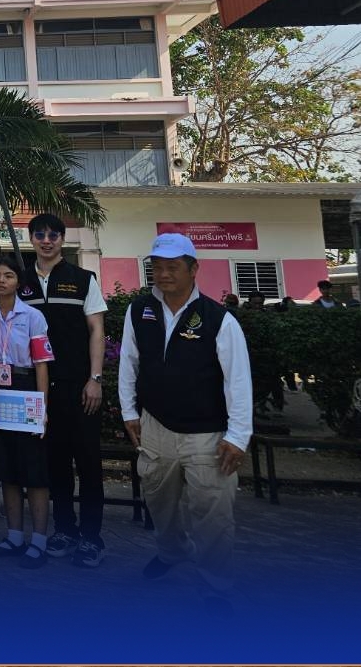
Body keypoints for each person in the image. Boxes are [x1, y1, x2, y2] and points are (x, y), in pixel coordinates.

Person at [119, 232, 252, 608]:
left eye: (172, 267)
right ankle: (173, 551)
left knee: (212, 511)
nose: (163, 274)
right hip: (155, 426)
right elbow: (129, 362)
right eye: (157, 267)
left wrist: (238, 436)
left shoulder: (218, 319)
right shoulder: (139, 310)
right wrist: (129, 411)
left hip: (207, 433)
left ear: (194, 269)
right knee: (158, 500)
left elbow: (237, 380)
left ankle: (216, 585)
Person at [21, 212, 109, 568]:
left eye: (53, 235)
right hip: (39, 390)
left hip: (80, 387)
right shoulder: (20, 281)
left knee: (88, 463)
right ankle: (65, 531)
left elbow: (97, 330)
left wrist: (95, 379)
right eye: (40, 234)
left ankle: (91, 538)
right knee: (54, 463)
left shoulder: (83, 279)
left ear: (61, 239)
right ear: (31, 238)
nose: (46, 241)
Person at [0, 255, 56, 568]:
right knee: (7, 470)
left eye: (8, 275)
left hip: (26, 389)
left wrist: (42, 406)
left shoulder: (33, 317)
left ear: (18, 282)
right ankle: (14, 536)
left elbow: (42, 364)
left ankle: (39, 541)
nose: (1, 280)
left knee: (34, 473)